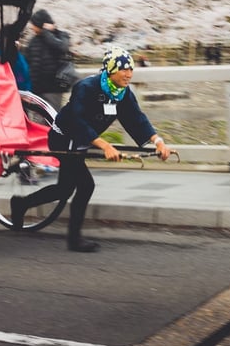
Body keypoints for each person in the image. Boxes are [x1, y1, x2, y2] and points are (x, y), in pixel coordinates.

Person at [10, 47, 172, 252]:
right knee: (86, 185)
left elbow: (136, 119)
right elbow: (77, 121)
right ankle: (74, 239)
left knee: (64, 188)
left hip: (83, 141)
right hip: (64, 137)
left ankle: (21, 204)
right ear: (111, 69)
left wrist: (158, 141)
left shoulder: (122, 93)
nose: (129, 74)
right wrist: (104, 145)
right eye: (123, 69)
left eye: (130, 69)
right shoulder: (86, 87)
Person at [24, 9, 72, 110]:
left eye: (34, 24)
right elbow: (27, 64)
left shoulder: (61, 35)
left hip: (53, 90)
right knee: (38, 121)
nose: (32, 27)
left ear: (40, 24)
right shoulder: (33, 41)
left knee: (51, 120)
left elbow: (62, 48)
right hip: (36, 90)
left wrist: (46, 32)